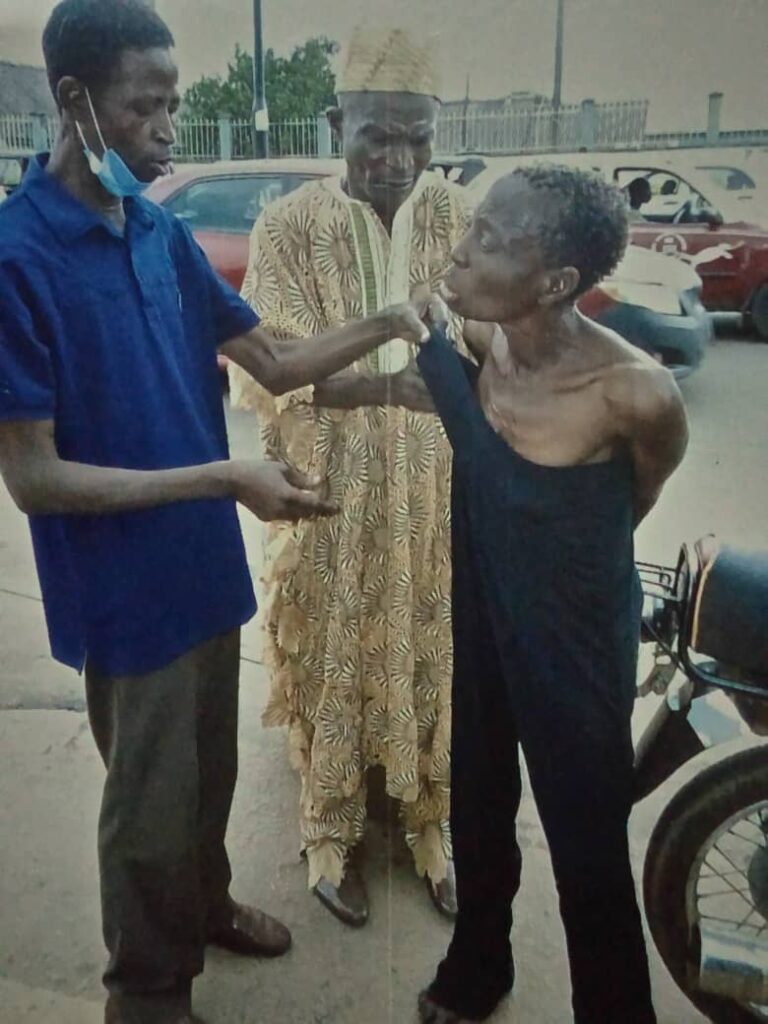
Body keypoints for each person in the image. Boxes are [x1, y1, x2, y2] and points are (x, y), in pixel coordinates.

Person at [0, 3, 427, 1022]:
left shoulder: (154, 229)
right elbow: (36, 479)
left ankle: (205, 904)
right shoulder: (19, 256)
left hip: (201, 568)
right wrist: (227, 480)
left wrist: (388, 326)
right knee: (146, 804)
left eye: (174, 104)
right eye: (145, 107)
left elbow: (272, 360)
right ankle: (144, 989)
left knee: (208, 774)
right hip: (122, 588)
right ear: (74, 101)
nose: (167, 128)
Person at [415, 165, 688, 1023]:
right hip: (486, 608)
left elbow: (635, 496)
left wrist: (556, 560)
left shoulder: (632, 390)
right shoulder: (484, 339)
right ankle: (479, 963)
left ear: (556, 282)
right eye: (473, 228)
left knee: (588, 845)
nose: (459, 254)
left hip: (573, 635)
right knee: (479, 797)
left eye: (491, 241)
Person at [228, 27, 472, 926]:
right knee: (333, 648)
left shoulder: (458, 214)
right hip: (327, 482)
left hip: (434, 488)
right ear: (338, 123)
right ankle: (330, 829)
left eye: (417, 133)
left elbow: (493, 342)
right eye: (376, 132)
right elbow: (269, 362)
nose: (398, 157)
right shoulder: (291, 223)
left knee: (432, 644)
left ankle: (429, 820)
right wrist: (387, 385)